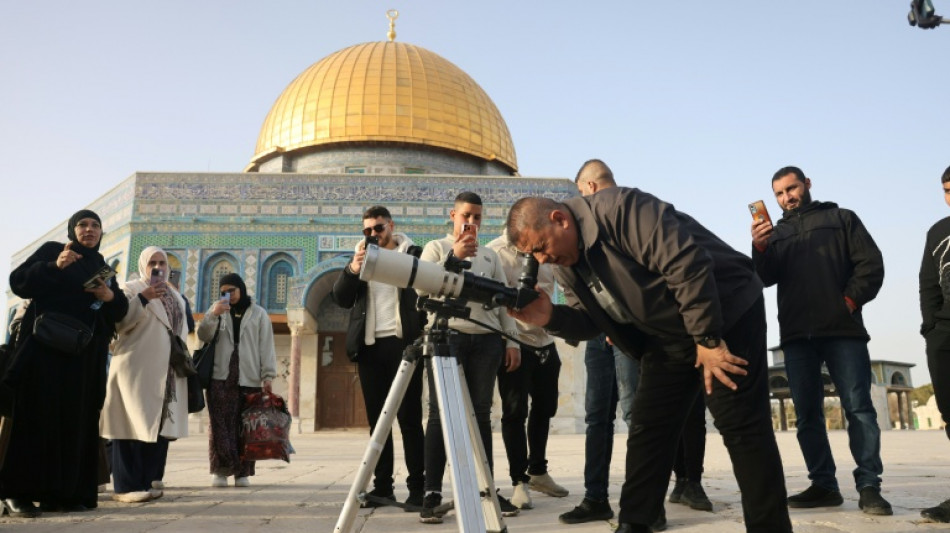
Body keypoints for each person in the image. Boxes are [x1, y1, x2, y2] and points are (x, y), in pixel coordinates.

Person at [507, 190, 792, 533]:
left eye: (540, 247)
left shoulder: (622, 210)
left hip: (725, 312)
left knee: (741, 425)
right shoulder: (567, 265)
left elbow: (686, 262)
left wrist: (707, 339)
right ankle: (634, 523)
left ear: (560, 220)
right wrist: (549, 315)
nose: (542, 259)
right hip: (669, 333)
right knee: (649, 427)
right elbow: (590, 320)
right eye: (533, 255)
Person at [559, 160, 708, 528]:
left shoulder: (625, 212)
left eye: (582, 193)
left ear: (591, 187)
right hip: (600, 334)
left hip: (638, 334)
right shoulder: (580, 235)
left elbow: (667, 271)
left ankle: (648, 503)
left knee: (640, 414)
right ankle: (597, 497)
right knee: (598, 418)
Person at [751, 166, 891, 515]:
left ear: (807, 184)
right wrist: (759, 247)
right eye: (780, 193)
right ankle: (824, 485)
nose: (788, 197)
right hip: (797, 337)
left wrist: (848, 301)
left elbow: (871, 264)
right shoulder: (777, 234)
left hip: (842, 331)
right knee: (808, 415)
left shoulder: (841, 218)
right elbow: (763, 279)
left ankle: (869, 485)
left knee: (859, 409)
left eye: (792, 188)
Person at [1, 210, 129, 517]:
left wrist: (110, 296)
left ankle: (65, 494)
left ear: (101, 233)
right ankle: (16, 493)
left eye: (95, 225)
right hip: (46, 351)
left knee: (76, 422)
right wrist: (52, 267)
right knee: (37, 419)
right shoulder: (54, 252)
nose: (89, 230)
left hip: (83, 358)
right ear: (72, 230)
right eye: (82, 225)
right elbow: (18, 281)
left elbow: (120, 311)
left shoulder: (102, 267)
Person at [416, 191, 522, 524]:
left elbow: (504, 300)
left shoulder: (490, 256)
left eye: (477, 217)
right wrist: (453, 256)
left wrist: (512, 340)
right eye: (466, 216)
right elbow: (422, 289)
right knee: (438, 413)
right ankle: (432, 492)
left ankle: (484, 488)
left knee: (480, 413)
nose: (471, 222)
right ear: (453, 215)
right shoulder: (434, 248)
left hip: (486, 341)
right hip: (447, 337)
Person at [332, 205, 426, 510]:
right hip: (371, 348)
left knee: (410, 420)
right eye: (368, 230)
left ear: (391, 226)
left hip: (404, 346)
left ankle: (418, 488)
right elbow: (342, 299)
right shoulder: (360, 258)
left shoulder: (414, 254)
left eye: (379, 228)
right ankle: (383, 487)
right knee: (379, 422)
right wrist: (352, 270)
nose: (373, 235)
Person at [487, 231, 569, 511]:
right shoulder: (494, 253)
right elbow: (494, 305)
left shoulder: (544, 248)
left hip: (545, 340)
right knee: (515, 412)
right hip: (515, 342)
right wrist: (509, 342)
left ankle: (538, 472)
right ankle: (519, 481)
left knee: (545, 408)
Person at [100, 246, 190, 503]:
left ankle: (145, 482)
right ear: (143, 265)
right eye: (152, 262)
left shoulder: (176, 296)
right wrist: (143, 298)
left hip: (166, 370)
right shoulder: (130, 289)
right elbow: (120, 323)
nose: (157, 267)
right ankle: (125, 487)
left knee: (154, 427)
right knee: (129, 424)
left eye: (162, 262)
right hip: (135, 365)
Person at [196, 272, 277, 488]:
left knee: (246, 427)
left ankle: (242, 472)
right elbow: (203, 336)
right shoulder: (217, 311)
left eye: (232, 290)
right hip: (220, 376)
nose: (228, 295)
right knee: (220, 425)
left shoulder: (259, 314)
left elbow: (266, 346)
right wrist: (213, 314)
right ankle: (221, 470)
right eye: (224, 291)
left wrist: (268, 375)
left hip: (248, 376)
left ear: (241, 289)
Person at [918, 164, 950, 523]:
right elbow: (928, 283)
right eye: (946, 189)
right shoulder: (939, 232)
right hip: (944, 333)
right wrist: (932, 328)